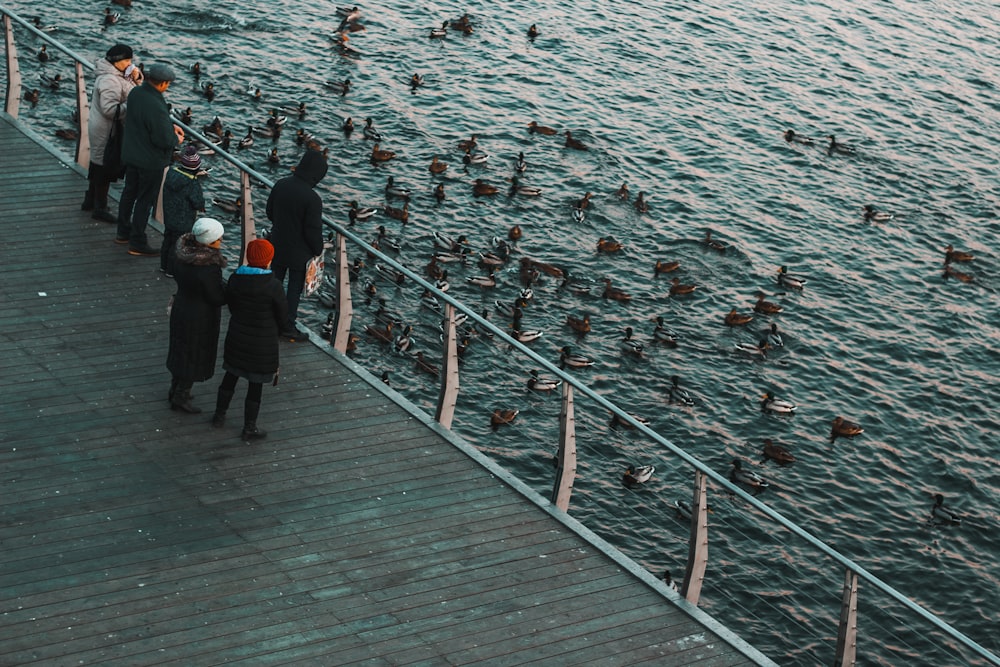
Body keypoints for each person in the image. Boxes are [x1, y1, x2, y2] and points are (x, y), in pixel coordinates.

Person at [211, 239, 288, 441]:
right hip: (262, 342)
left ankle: (219, 415)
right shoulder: (274, 286)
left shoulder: (236, 278)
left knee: (230, 375)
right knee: (256, 385)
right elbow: (283, 316)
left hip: (237, 336)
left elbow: (232, 304)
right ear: (269, 259)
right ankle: (249, 427)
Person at [116, 63, 184, 256]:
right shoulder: (156, 103)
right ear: (163, 84)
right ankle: (137, 241)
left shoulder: (136, 93)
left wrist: (169, 126)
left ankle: (122, 232)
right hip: (150, 160)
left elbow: (145, 121)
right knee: (145, 200)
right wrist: (175, 139)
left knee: (129, 193)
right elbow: (162, 139)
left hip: (132, 154)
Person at [166, 218, 227, 414]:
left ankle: (175, 388)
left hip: (182, 306)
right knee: (193, 353)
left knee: (180, 348)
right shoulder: (208, 268)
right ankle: (180, 396)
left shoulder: (181, 255)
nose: (221, 240)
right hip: (200, 315)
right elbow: (216, 296)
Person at [265, 148, 327, 341]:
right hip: (299, 253)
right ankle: (287, 325)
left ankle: (267, 318)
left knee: (274, 283)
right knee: (293, 291)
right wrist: (318, 249)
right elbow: (312, 230)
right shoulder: (312, 199)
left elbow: (269, 212)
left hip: (277, 244)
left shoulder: (281, 184)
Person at [82, 43, 142, 223]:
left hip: (104, 128)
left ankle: (90, 200)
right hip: (107, 131)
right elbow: (110, 110)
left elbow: (129, 88)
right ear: (118, 61)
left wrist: (136, 79)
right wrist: (131, 104)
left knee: (98, 162)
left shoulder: (116, 75)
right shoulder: (109, 80)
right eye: (128, 60)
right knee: (104, 166)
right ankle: (100, 207)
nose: (131, 63)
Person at [160, 144, 206, 276]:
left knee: (167, 240)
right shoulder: (192, 182)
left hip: (169, 215)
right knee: (178, 245)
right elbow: (197, 201)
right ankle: (171, 270)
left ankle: (163, 266)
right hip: (184, 220)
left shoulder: (171, 173)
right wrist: (201, 206)